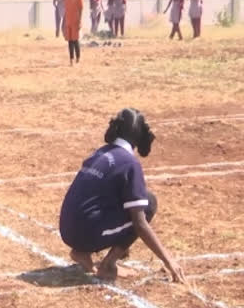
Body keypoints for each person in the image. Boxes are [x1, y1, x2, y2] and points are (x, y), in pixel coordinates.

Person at [59, 108, 185, 283]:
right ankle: (108, 264)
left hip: (67, 231)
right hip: (84, 233)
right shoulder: (129, 163)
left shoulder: (101, 152)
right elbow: (140, 224)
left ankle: (82, 252)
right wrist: (169, 260)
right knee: (148, 203)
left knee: (127, 200)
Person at [64, 0, 83, 66]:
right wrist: (65, 21)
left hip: (75, 21)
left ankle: (78, 58)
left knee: (75, 40)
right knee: (69, 41)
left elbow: (80, 9)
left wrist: (79, 21)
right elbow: (66, 9)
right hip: (68, 20)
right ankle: (71, 59)